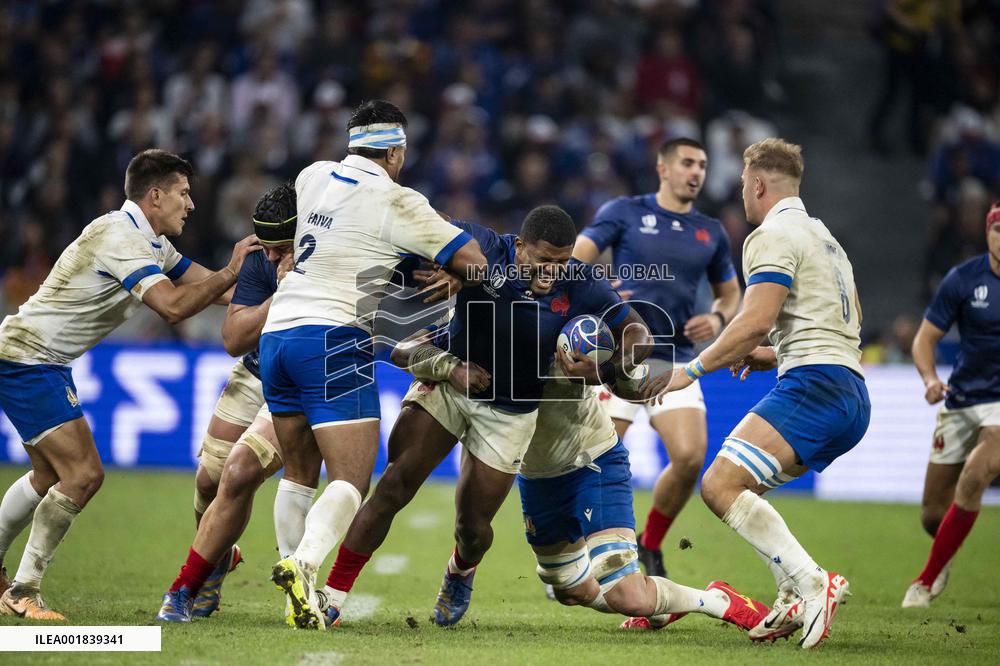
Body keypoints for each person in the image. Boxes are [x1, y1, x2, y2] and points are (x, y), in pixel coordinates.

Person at [321, 206, 650, 628]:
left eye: (561, 261)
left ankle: (461, 568)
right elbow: (413, 235)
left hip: (511, 412)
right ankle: (332, 595)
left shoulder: (581, 282)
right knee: (395, 483)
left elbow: (637, 331)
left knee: (472, 528)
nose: (552, 271)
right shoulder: (483, 245)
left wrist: (609, 368)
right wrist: (451, 264)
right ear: (519, 246)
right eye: (543, 259)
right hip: (453, 378)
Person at [0, 149, 261, 619]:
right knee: (82, 476)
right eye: (183, 193)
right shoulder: (118, 236)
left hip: (37, 360)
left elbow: (217, 291)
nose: (191, 204)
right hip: (28, 360)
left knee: (48, 476)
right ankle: (23, 590)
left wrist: (282, 293)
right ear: (154, 196)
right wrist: (230, 269)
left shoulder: (153, 243)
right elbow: (174, 307)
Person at [262, 100, 486, 630]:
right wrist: (455, 275)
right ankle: (304, 565)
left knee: (297, 475)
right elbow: (474, 260)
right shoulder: (399, 200)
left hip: (277, 333)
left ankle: (296, 599)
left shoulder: (312, 175)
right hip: (333, 336)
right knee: (351, 480)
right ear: (394, 151)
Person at [644, 138, 870, 649]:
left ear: (759, 184)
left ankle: (814, 582)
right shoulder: (826, 238)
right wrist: (775, 354)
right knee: (745, 488)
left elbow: (754, 321)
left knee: (719, 486)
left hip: (816, 385)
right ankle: (790, 594)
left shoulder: (770, 235)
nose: (743, 194)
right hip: (850, 390)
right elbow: (848, 315)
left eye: (745, 185)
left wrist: (692, 371)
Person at [155, 183, 322, 623]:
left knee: (240, 472)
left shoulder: (330, 258)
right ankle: (217, 559)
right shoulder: (257, 258)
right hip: (254, 371)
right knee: (209, 481)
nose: (268, 258)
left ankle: (186, 587)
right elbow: (232, 338)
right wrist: (279, 293)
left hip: (302, 383)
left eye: (278, 248)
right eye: (264, 248)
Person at [574, 138, 740, 576]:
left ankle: (650, 544)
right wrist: (604, 293)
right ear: (663, 168)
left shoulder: (711, 231)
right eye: (687, 163)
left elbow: (730, 293)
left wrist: (719, 319)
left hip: (676, 360)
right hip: (617, 356)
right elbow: (575, 261)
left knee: (689, 458)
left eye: (702, 165)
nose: (696, 172)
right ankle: (571, 552)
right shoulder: (623, 212)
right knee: (593, 457)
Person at [518, 357, 770, 635]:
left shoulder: (557, 318)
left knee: (628, 594)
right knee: (570, 589)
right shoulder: (484, 329)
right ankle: (661, 605)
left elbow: (629, 328)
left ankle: (715, 600)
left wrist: (613, 368)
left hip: (593, 457)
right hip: (538, 475)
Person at [902, 203, 1000, 608]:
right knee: (931, 513)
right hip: (960, 400)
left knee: (977, 475)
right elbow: (924, 339)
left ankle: (923, 583)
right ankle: (943, 556)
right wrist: (929, 379)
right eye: (999, 229)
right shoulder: (963, 278)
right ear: (988, 232)